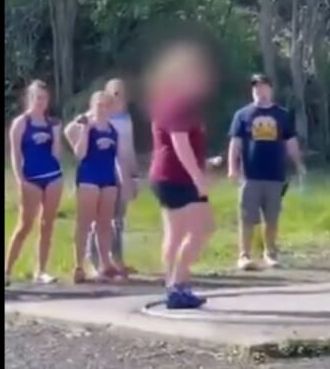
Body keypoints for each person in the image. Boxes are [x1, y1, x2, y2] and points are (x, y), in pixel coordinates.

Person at [146, 42, 216, 309]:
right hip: (176, 177)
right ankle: (177, 284)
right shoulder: (178, 103)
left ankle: (174, 285)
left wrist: (203, 164)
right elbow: (178, 142)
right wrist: (197, 175)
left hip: (170, 175)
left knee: (176, 234)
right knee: (202, 228)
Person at [227, 74, 306, 271]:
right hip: (250, 175)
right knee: (247, 217)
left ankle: (270, 254)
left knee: (272, 217)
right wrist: (232, 168)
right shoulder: (242, 115)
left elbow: (291, 142)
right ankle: (244, 255)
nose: (259, 91)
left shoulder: (281, 115)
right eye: (256, 88)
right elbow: (235, 144)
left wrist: (298, 164)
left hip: (275, 174)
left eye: (263, 87)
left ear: (270, 89)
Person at [64, 91, 134, 283]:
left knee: (105, 224)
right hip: (88, 178)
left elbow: (119, 158)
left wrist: (125, 181)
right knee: (84, 223)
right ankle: (78, 265)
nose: (102, 109)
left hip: (108, 179)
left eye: (106, 106)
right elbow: (80, 153)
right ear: (92, 106)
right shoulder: (87, 126)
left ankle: (104, 264)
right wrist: (86, 128)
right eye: (99, 105)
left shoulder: (113, 130)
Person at [5, 80, 63, 286]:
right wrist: (21, 179)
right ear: (30, 98)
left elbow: (56, 153)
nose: (41, 102)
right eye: (37, 98)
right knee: (25, 225)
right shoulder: (21, 123)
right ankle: (7, 270)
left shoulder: (52, 123)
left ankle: (41, 270)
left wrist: (57, 134)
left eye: (44, 98)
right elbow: (15, 154)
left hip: (52, 175)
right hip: (31, 178)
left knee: (47, 224)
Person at [83, 78, 139, 277]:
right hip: (106, 172)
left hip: (125, 172)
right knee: (99, 220)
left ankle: (117, 260)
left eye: (122, 92)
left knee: (118, 221)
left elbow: (128, 147)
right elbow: (77, 127)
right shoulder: (99, 115)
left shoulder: (125, 117)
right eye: (115, 93)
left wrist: (134, 175)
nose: (119, 97)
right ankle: (94, 261)